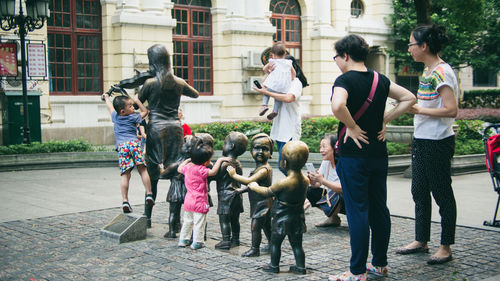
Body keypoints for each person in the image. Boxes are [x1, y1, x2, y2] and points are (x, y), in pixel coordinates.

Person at [329, 34, 416, 281]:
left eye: (336, 57)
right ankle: (379, 264)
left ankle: (357, 271)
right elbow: (410, 98)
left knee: (358, 211)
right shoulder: (381, 79)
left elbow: (338, 106)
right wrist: (383, 120)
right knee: (379, 208)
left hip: (353, 156)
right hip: (378, 153)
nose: (336, 61)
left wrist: (352, 126)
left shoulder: (343, 80)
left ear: (345, 55)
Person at [396, 24, 458, 265]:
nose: (409, 48)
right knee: (419, 191)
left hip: (438, 142)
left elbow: (452, 110)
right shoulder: (428, 71)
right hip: (422, 139)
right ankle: (421, 240)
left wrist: (419, 109)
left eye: (411, 44)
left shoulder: (442, 72)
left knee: (442, 193)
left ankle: (445, 246)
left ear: (424, 46)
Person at [138, 44, 199, 228]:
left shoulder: (150, 83)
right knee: (177, 174)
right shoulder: (179, 82)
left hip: (156, 128)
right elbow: (195, 94)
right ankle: (175, 220)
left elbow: (136, 104)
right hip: (175, 128)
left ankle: (147, 218)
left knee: (153, 174)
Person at [247, 140, 310, 275]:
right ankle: (300, 267)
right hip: (297, 218)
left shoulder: (283, 182)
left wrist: (255, 186)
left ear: (284, 163)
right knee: (297, 245)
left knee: (275, 243)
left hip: (281, 219)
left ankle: (274, 266)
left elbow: (267, 192)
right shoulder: (306, 180)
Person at [253, 55, 307, 176]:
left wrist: (266, 92)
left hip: (290, 130)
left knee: (285, 166)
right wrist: (269, 72)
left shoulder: (295, 82)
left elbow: (289, 98)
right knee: (284, 166)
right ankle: (295, 189)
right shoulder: (280, 82)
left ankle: (299, 188)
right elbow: (264, 86)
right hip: (280, 130)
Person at [102, 92, 155, 213]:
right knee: (142, 170)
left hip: (122, 148)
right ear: (123, 111)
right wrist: (137, 100)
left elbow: (110, 106)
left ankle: (125, 201)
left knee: (125, 175)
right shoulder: (134, 117)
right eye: (130, 106)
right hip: (134, 145)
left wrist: (106, 97)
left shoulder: (115, 116)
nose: (133, 108)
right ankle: (149, 193)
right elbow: (145, 112)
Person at [177, 139, 231, 250]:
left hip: (188, 200)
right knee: (199, 222)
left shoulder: (188, 168)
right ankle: (197, 242)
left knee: (187, 221)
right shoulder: (202, 170)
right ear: (206, 162)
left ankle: (183, 239)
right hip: (199, 201)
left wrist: (187, 161)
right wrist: (220, 160)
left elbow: (179, 168)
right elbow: (213, 172)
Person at [227, 133, 273, 257]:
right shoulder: (259, 168)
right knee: (266, 226)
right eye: (257, 148)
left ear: (271, 153)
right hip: (259, 202)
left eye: (265, 149)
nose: (260, 152)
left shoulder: (264, 169)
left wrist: (234, 175)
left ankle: (255, 249)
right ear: (251, 151)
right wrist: (241, 191)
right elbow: (252, 185)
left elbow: (249, 181)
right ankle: (272, 243)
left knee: (256, 226)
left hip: (262, 203)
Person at [213, 132, 248, 250]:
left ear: (231, 146)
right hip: (237, 195)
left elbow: (214, 175)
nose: (223, 146)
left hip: (226, 196)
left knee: (224, 219)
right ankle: (236, 239)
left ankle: (226, 240)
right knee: (235, 220)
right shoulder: (238, 163)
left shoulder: (225, 164)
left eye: (225, 143)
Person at [304, 134, 345, 227]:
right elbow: (318, 184)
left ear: (335, 147)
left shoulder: (344, 164)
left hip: (348, 201)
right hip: (333, 200)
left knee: (337, 193)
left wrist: (322, 180)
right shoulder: (326, 162)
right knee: (309, 191)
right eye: (320, 147)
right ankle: (333, 218)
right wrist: (313, 181)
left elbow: (344, 188)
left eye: (324, 147)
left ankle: (357, 221)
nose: (321, 150)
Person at [258, 42, 296, 120]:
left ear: (274, 54)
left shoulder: (272, 61)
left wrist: (269, 72)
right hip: (284, 87)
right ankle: (275, 110)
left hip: (274, 84)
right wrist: (291, 79)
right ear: (285, 53)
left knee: (266, 92)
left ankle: (264, 106)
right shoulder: (288, 63)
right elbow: (293, 73)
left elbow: (264, 69)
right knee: (278, 96)